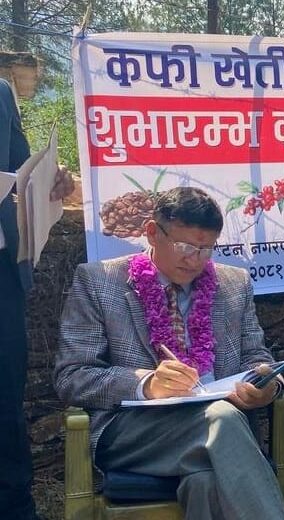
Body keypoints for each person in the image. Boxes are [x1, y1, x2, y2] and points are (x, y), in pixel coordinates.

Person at [54, 187, 284, 519]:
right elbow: (72, 376)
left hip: (225, 430)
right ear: (152, 232)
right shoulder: (99, 282)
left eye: (205, 249)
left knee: (205, 481)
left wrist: (266, 385)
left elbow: (257, 357)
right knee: (221, 418)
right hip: (136, 432)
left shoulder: (234, 284)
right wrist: (145, 384)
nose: (194, 260)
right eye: (184, 247)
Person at [1, 76, 74, 520]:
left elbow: (19, 175)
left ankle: (15, 508)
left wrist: (52, 181)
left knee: (5, 403)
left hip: (1, 279)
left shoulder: (1, 94)